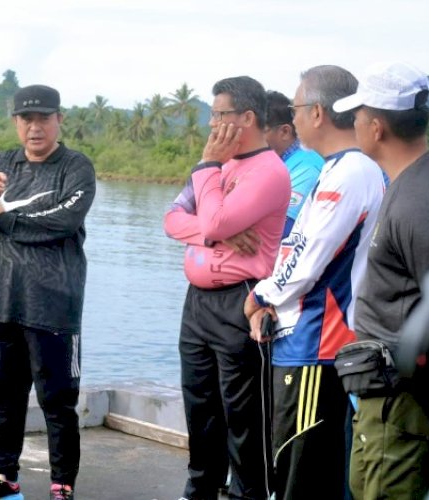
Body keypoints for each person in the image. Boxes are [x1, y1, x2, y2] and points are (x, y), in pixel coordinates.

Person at [244, 65, 385, 500]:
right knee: (307, 470)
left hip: (316, 343)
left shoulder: (349, 173)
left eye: (296, 107)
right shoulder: (339, 168)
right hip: (307, 339)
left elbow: (307, 258)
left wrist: (260, 295)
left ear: (318, 112)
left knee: (300, 474)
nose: (294, 116)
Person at [0, 84, 95, 500]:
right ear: (16, 122)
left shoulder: (75, 167)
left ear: (59, 120)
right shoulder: (2, 163)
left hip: (55, 305)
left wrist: (7, 219)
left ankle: (62, 486)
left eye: (43, 118)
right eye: (26, 119)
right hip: (1, 301)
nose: (34, 127)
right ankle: (5, 479)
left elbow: (63, 221)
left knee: (58, 402)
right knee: (6, 398)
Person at [164, 76, 291, 500]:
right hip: (197, 303)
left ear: (248, 118)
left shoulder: (267, 170)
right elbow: (172, 220)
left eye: (220, 115)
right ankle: (200, 488)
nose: (213, 124)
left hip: (242, 299)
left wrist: (206, 173)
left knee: (243, 414)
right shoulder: (217, 170)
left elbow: (215, 219)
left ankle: (249, 493)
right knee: (199, 406)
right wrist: (213, 234)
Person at [333, 61, 429, 499]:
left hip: (399, 403)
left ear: (376, 127)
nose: (352, 124)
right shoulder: (410, 182)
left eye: (356, 116)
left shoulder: (416, 201)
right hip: (390, 395)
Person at [264, 90, 324, 237]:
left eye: (260, 131)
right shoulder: (271, 162)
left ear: (284, 132)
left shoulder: (306, 167)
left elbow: (282, 231)